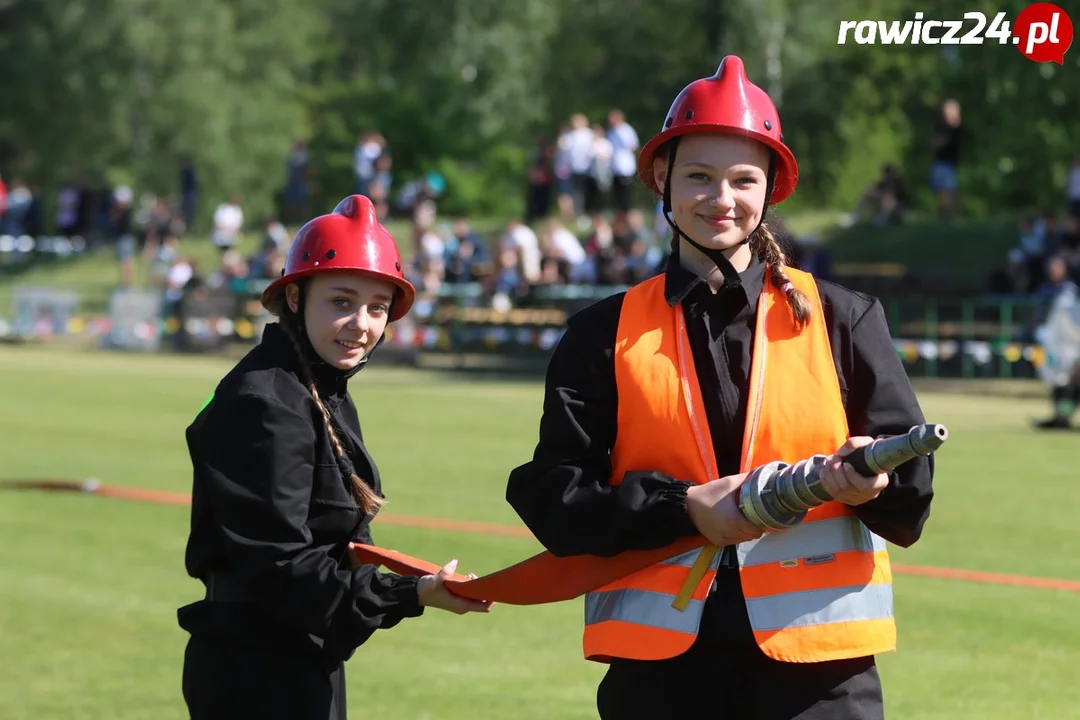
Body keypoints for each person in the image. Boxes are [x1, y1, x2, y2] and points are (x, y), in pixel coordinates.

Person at [505, 56, 935, 720]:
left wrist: (875, 483)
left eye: (742, 179)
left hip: (820, 677)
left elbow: (912, 493)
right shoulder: (600, 334)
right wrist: (683, 509)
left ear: (771, 190)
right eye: (699, 176)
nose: (721, 198)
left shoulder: (846, 318)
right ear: (661, 179)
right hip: (662, 679)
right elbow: (553, 497)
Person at [178, 194, 492, 720]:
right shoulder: (266, 401)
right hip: (255, 668)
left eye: (377, 307)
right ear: (296, 297)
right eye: (341, 301)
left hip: (298, 652)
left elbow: (336, 544)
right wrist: (410, 593)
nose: (361, 324)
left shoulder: (320, 387)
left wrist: (403, 583)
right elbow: (282, 569)